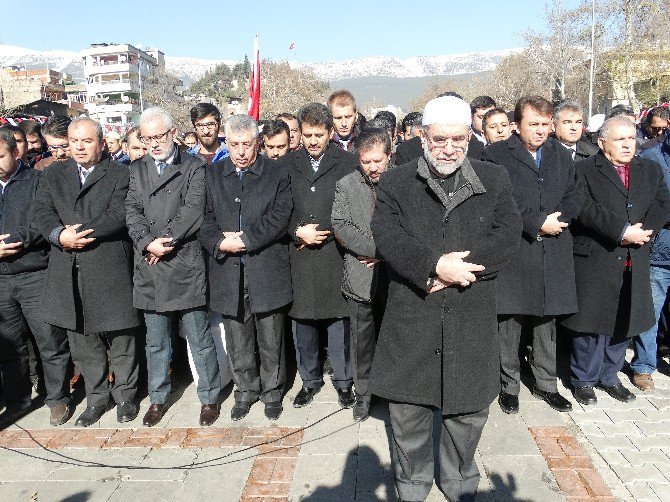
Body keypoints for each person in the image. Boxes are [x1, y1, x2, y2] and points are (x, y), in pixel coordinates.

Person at [370, 95, 521, 501]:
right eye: (439, 140)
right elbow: (387, 235)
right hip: (413, 313)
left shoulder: (495, 179)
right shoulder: (396, 181)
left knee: (467, 413)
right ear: (422, 138)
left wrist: (459, 271)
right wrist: (433, 265)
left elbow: (507, 235)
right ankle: (412, 484)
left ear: (469, 138)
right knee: (408, 412)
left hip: (470, 311)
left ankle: (458, 482)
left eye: (458, 139)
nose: (449, 148)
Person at [32, 117, 141, 427]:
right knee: (83, 340)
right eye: (74, 140)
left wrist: (80, 233)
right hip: (68, 267)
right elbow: (41, 211)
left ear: (102, 143)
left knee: (121, 338)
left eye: (87, 141)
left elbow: (119, 213)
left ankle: (125, 397)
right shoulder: (53, 174)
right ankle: (96, 399)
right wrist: (58, 234)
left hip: (108, 266)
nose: (79, 146)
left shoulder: (121, 173)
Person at [482, 96, 582, 414]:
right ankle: (508, 387)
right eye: (533, 124)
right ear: (517, 125)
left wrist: (560, 219)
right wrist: (537, 222)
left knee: (546, 321)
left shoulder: (560, 155)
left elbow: (576, 193)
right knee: (509, 323)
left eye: (545, 125)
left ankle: (546, 384)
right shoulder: (496, 154)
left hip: (553, 249)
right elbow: (499, 200)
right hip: (516, 250)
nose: (540, 131)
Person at [562, 116, 670, 405]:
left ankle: (610, 376)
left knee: (625, 318)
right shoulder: (583, 170)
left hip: (635, 256)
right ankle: (583, 379)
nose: (627, 145)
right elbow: (584, 207)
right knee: (591, 321)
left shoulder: (649, 168)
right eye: (620, 139)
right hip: (599, 254)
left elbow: (663, 203)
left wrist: (644, 231)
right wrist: (621, 231)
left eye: (631, 138)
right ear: (601, 142)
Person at [126, 107, 221, 427]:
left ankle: (209, 396)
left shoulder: (194, 166)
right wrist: (145, 242)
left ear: (173, 133)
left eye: (158, 136)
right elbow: (132, 211)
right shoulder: (136, 169)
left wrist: (163, 242)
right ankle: (157, 398)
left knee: (199, 336)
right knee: (156, 341)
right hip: (150, 266)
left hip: (183, 263)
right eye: (146, 138)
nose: (153, 143)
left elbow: (193, 211)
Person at [199, 114, 293, 421]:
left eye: (247, 144)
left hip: (265, 267)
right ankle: (245, 391)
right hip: (228, 269)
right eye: (235, 144)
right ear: (227, 142)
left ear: (258, 142)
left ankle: (273, 392)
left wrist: (247, 240)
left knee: (271, 337)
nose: (241, 151)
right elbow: (203, 218)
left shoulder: (276, 173)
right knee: (237, 338)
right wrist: (220, 242)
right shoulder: (212, 174)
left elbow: (280, 216)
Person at [280, 102, 357, 409]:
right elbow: (276, 210)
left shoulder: (348, 162)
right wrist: (296, 231)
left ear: (329, 133)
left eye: (319, 134)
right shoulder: (287, 164)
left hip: (334, 256)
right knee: (304, 325)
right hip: (299, 255)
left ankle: (343, 382)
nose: (312, 141)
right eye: (307, 134)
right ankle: (309, 381)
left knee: (339, 324)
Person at [0, 129, 73, 426]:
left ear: (16, 153)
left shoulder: (37, 182)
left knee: (49, 341)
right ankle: (18, 400)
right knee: (9, 345)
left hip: (34, 274)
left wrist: (11, 242)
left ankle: (58, 398)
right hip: (1, 279)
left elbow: (42, 220)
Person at [331, 128, 391, 422]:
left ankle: (394, 394)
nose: (373, 167)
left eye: (378, 160)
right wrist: (373, 249)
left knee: (393, 339)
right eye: (367, 161)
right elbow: (340, 226)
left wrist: (385, 253)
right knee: (362, 342)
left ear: (389, 156)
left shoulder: (403, 182)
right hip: (360, 278)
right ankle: (364, 395)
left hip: (395, 279)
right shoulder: (346, 185)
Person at [633, 131, 670, 390]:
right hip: (660, 250)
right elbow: (646, 203)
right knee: (651, 312)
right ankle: (644, 365)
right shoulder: (651, 158)